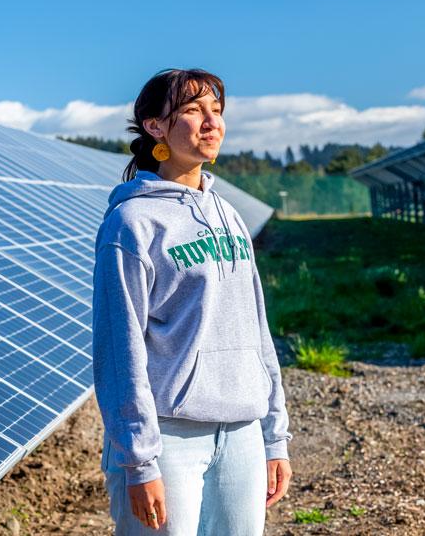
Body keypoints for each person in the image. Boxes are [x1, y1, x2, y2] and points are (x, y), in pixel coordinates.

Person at [91, 68, 293, 535]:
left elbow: (256, 330)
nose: (211, 123)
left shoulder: (229, 215)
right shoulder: (132, 224)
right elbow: (120, 353)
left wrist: (274, 437)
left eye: (217, 112)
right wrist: (139, 463)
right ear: (155, 127)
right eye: (192, 110)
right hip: (169, 438)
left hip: (242, 430)